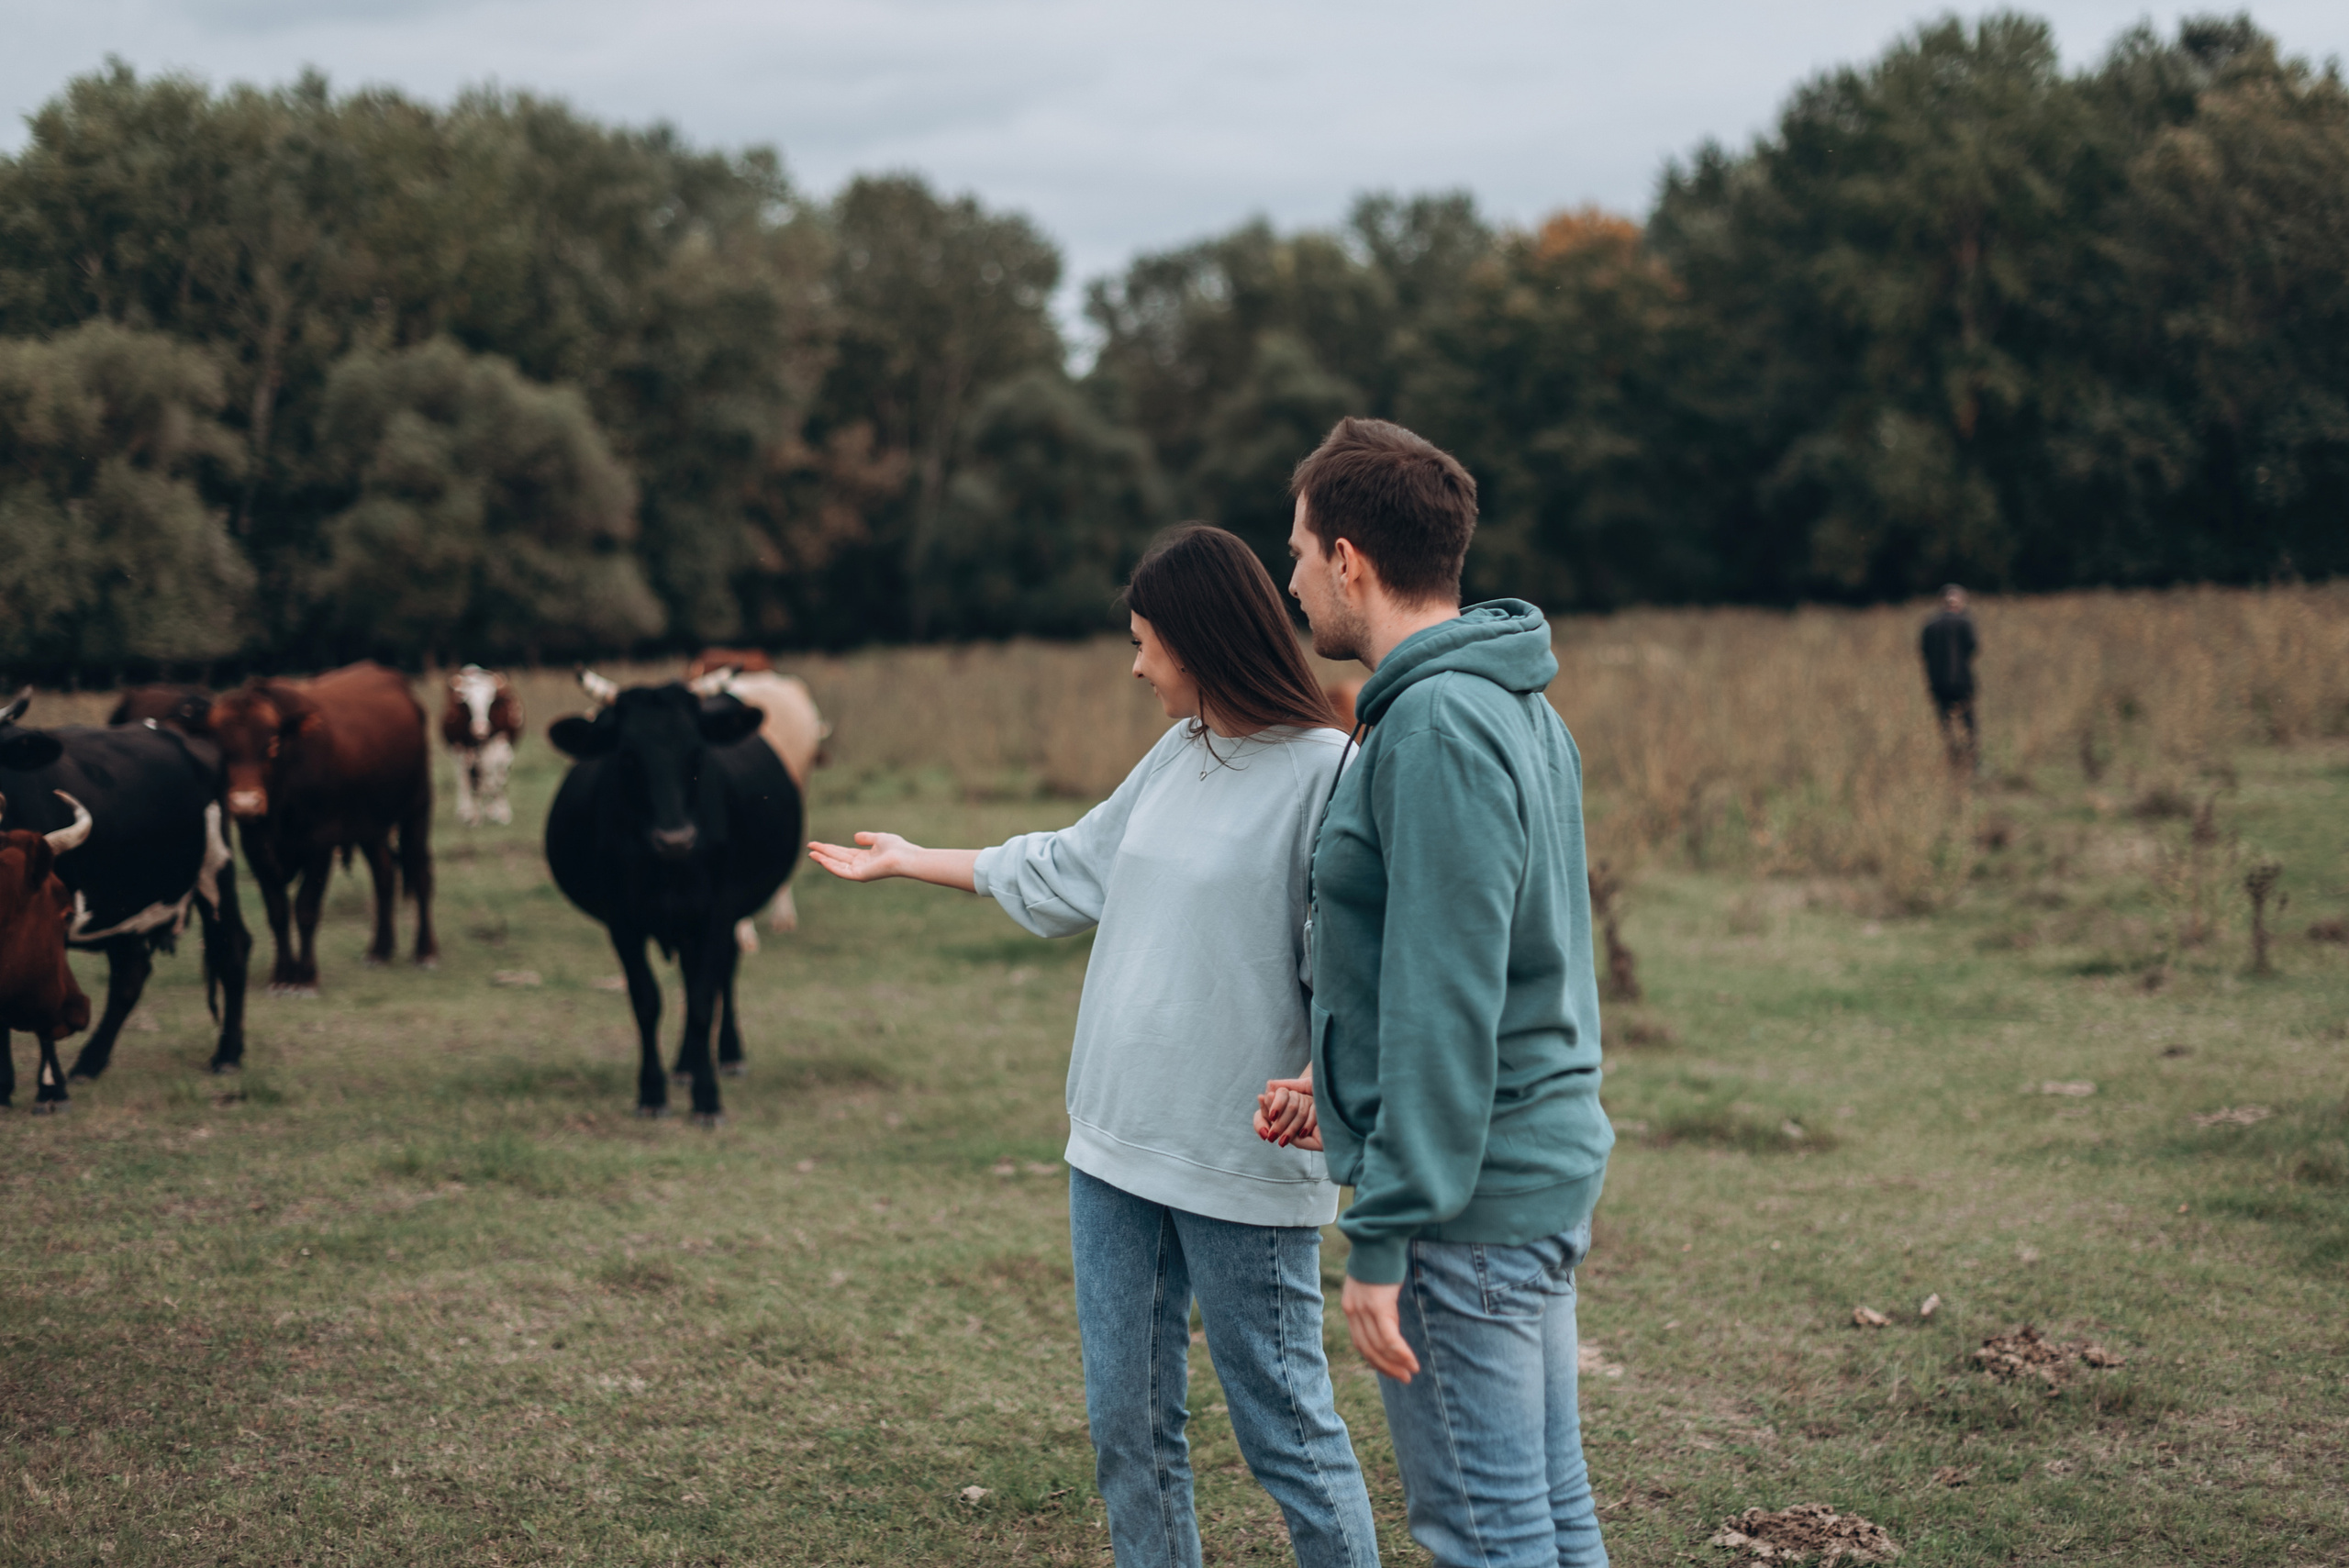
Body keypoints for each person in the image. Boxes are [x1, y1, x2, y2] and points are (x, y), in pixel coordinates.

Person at [807, 524, 1381, 1568]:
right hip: (1113, 1142)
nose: (1136, 666)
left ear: (1197, 640)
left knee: (1288, 1435)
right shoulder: (1180, 750)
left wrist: (1323, 1072)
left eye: (1143, 642)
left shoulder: (1328, 771)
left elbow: (1356, 956)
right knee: (1128, 1430)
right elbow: (1070, 867)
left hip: (1239, 1154)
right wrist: (910, 857)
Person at [1255, 417, 1614, 1568]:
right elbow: (1486, 960)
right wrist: (1339, 1077)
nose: (1291, 582)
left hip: (1467, 1206)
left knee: (1486, 1534)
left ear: (1347, 558)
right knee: (1549, 1517)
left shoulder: (1436, 725)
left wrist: (1385, 1229)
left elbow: (1446, 998)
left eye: (1297, 553)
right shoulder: (1505, 702)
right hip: (1514, 1169)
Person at [1920, 584, 1979, 769]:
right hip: (1962, 680)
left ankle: (1952, 760)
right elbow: (1972, 648)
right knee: (1967, 721)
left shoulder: (1930, 625)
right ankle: (1972, 761)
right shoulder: (1964, 622)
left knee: (1946, 723)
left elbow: (1924, 652)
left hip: (1938, 681)